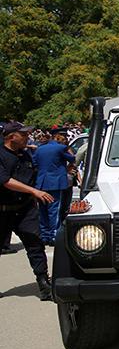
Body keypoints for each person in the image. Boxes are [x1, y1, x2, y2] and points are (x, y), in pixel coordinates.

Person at [0, 122, 55, 300]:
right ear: (11, 137)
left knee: (35, 244)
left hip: (24, 209)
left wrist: (34, 193)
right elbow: (6, 181)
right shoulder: (1, 155)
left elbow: (32, 176)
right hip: (3, 209)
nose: (27, 137)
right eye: (23, 134)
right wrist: (34, 191)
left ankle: (43, 281)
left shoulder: (25, 155)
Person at [32, 127, 75, 245]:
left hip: (41, 182)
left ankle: (44, 235)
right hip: (55, 182)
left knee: (43, 210)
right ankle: (54, 235)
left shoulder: (40, 149)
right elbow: (72, 158)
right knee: (54, 210)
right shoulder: (61, 148)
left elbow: (34, 163)